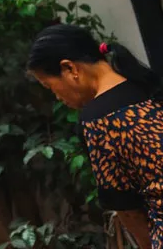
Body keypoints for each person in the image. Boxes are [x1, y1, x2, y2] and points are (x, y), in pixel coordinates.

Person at [28, 24, 163, 248]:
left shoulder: (97, 120)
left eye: (50, 87)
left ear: (70, 68)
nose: (57, 96)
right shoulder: (147, 86)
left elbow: (127, 209)